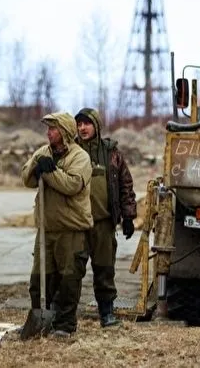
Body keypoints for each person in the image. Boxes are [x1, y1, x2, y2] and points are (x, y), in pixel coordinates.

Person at [20, 112, 93, 339]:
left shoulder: (80, 157)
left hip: (71, 229)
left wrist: (50, 172)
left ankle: (64, 325)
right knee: (40, 279)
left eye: (53, 128)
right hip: (47, 229)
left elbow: (72, 185)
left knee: (68, 280)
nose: (48, 132)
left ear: (64, 131)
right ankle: (42, 321)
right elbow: (27, 179)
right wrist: (36, 165)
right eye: (48, 128)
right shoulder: (43, 153)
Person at [75, 107, 137, 327]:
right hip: (77, 224)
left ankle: (107, 313)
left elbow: (125, 184)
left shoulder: (112, 153)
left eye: (87, 123)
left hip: (103, 223)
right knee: (71, 271)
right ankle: (64, 316)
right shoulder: (71, 151)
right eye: (79, 124)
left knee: (104, 269)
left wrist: (128, 216)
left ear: (97, 125)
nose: (82, 128)